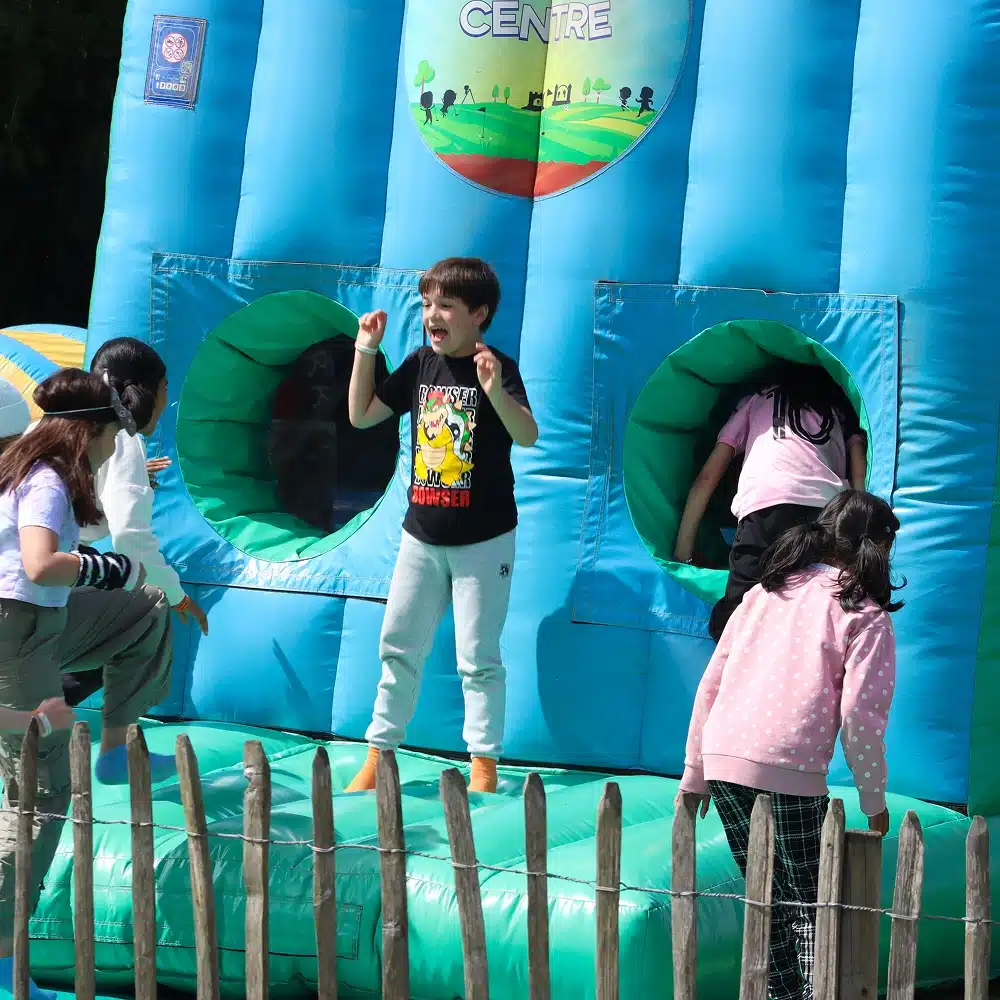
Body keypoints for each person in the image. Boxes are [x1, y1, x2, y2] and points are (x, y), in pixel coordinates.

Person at [678, 489, 903, 1000]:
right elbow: (861, 719)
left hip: (723, 762)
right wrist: (873, 799)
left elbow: (710, 685)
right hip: (791, 770)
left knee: (767, 898)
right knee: (816, 904)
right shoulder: (864, 614)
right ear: (880, 548)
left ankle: (779, 993)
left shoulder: (762, 595)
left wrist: (694, 774)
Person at [0, 369, 174, 999]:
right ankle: (2, 963)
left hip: (36, 624)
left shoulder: (25, 468)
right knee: (40, 798)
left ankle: (114, 750)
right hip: (18, 635)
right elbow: (43, 560)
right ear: (90, 432)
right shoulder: (44, 478)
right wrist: (110, 568)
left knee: (147, 606)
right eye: (110, 439)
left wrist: (115, 571)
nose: (112, 452)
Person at [344, 257, 538, 794]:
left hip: (485, 539)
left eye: (445, 305)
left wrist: (494, 388)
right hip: (421, 536)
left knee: (477, 656)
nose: (433, 314)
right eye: (427, 303)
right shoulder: (416, 366)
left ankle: (483, 764)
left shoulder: (498, 367)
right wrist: (365, 350)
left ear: (479, 315)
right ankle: (379, 754)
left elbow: (526, 435)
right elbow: (362, 415)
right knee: (398, 644)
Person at [52, 338, 207, 708]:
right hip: (27, 596)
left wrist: (127, 480)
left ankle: (37, 705)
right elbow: (131, 542)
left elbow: (73, 515)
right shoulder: (120, 435)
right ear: (147, 391)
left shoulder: (63, 424)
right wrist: (179, 597)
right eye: (166, 389)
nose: (166, 403)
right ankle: (119, 737)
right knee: (150, 607)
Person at [673, 364, 867, 641]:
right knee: (817, 602)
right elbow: (859, 475)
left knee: (739, 611)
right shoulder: (840, 411)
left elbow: (706, 479)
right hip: (827, 513)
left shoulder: (755, 400)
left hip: (766, 505)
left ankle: (738, 659)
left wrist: (684, 556)